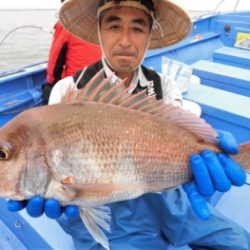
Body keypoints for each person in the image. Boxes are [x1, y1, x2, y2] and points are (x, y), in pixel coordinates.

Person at [8, 0, 250, 249]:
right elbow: (66, 180)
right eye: (114, 26)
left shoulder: (163, 85)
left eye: (137, 28)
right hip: (111, 213)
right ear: (100, 31)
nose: (125, 40)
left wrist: (211, 149)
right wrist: (58, 193)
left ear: (149, 34)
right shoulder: (68, 89)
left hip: (168, 193)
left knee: (240, 242)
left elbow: (181, 128)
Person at [42, 0, 102, 103]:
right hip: (102, 84)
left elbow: (54, 62)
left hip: (77, 85)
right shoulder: (101, 22)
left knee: (48, 89)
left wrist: (52, 84)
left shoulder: (65, 24)